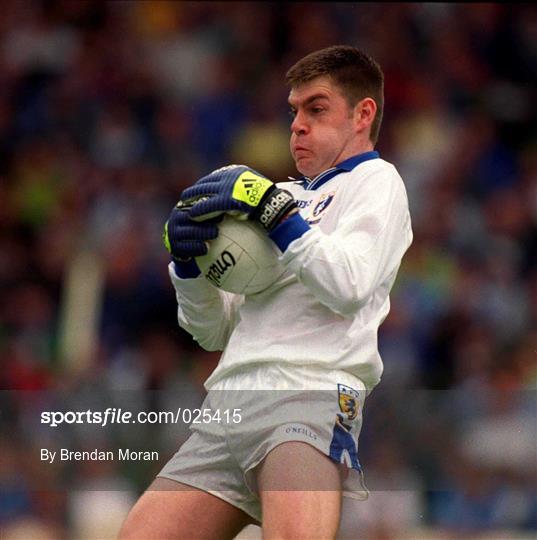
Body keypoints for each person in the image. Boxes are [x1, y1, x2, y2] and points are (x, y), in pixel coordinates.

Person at [120, 45, 413, 540]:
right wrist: (188, 268)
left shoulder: (376, 181)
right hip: (227, 406)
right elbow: (211, 330)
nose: (297, 124)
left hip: (308, 395)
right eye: (295, 111)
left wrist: (274, 213)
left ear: (363, 114)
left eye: (316, 109)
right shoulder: (283, 198)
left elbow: (350, 285)